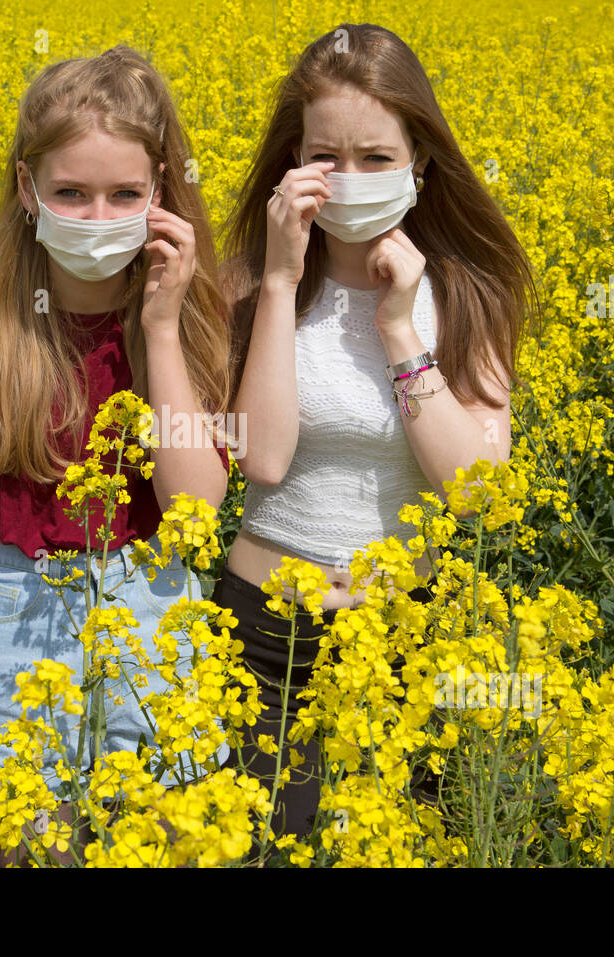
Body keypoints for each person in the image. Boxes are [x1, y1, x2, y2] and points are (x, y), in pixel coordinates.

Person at [0, 45, 233, 864]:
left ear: (160, 191)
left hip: (153, 612)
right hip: (10, 623)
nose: (97, 219)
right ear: (27, 189)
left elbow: (195, 508)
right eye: (70, 194)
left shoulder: (189, 317)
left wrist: (160, 325)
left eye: (124, 194)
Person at [214, 23, 540, 838]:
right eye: (326, 158)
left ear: (420, 162)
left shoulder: (467, 293)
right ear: (295, 161)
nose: (347, 180)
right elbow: (264, 457)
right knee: (263, 851)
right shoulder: (254, 285)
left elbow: (475, 493)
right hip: (262, 639)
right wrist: (286, 277)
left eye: (377, 159)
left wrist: (400, 331)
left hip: (405, 636)